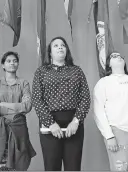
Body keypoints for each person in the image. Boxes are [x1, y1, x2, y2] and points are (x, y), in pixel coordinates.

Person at [32, 36, 91, 171]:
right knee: (52, 167)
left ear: (67, 51)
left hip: (74, 123)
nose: (60, 47)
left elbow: (85, 98)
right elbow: (37, 99)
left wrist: (76, 121)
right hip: (50, 124)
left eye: (63, 45)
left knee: (73, 167)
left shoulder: (77, 71)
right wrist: (50, 123)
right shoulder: (41, 72)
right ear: (50, 52)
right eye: (56, 45)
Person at [0, 51, 36, 171]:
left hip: (18, 128)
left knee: (18, 164)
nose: (12, 63)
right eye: (8, 61)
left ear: (18, 64)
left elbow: (27, 106)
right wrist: (17, 107)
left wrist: (3, 105)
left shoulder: (23, 83)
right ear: (3, 65)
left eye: (15, 61)